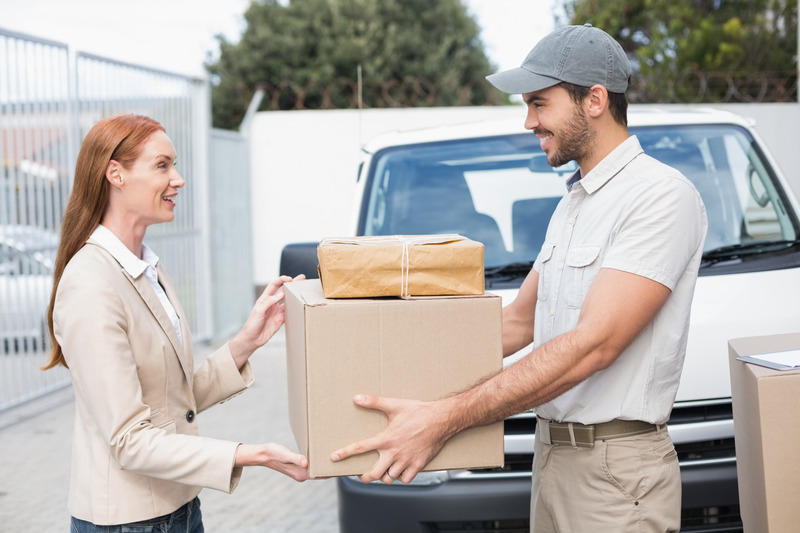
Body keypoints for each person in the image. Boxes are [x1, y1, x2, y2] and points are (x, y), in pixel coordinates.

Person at [330, 24, 708, 532]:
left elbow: (593, 346)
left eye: (539, 103)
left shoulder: (660, 196)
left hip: (615, 474)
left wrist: (445, 417)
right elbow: (515, 324)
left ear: (595, 100)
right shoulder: (574, 203)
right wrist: (369, 364)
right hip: (552, 458)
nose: (528, 120)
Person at [43, 114, 309, 531]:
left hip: (180, 509)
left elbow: (169, 404)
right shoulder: (91, 284)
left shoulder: (147, 267)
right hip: (128, 523)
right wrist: (247, 454)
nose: (179, 179)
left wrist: (245, 342)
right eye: (162, 165)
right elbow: (130, 441)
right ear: (116, 173)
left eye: (175, 164)